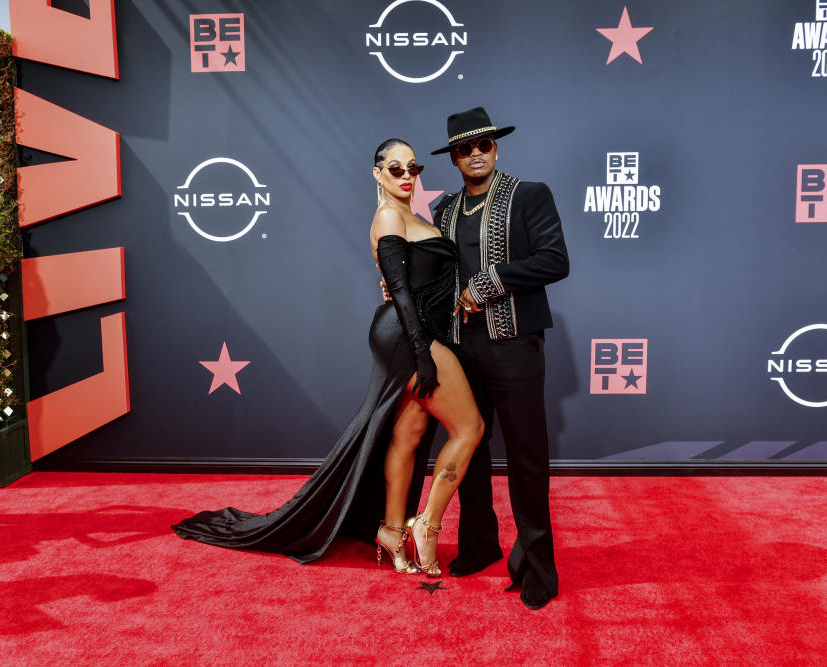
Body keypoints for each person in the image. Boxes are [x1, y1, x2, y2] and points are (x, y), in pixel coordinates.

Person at [173, 139, 483, 577]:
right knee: (469, 427)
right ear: (377, 174)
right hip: (410, 335)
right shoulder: (389, 215)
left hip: (415, 332)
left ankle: (393, 530)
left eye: (413, 168)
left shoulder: (413, 216)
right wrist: (421, 353)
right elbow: (398, 290)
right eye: (395, 169)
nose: (407, 176)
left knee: (408, 433)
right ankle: (427, 526)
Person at [430, 107, 570, 609]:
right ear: (452, 157)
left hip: (513, 345)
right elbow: (439, 276)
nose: (474, 154)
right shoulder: (444, 209)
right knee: (469, 450)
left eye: (482, 144)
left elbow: (556, 260)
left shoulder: (529, 195)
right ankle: (479, 544)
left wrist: (486, 287)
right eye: (463, 149)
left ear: (496, 147)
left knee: (527, 457)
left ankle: (537, 565)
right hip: (460, 350)